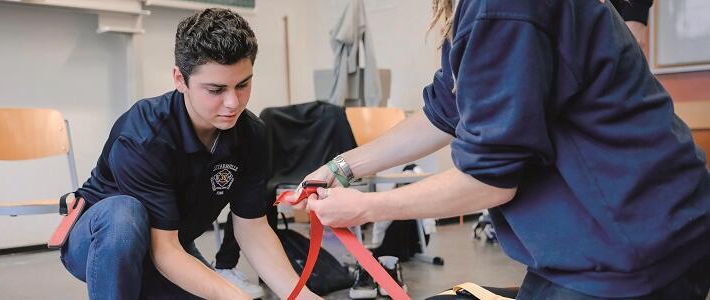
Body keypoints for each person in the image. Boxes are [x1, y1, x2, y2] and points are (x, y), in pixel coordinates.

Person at [295, 0, 710, 299]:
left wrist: (365, 208)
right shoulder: (477, 11)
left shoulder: (504, 8)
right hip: (612, 241)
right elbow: (444, 111)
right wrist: (342, 166)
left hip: (632, 249)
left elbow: (488, 182)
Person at [61, 8, 319, 300]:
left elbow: (253, 229)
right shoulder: (143, 135)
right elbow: (163, 250)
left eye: (243, 85)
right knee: (124, 214)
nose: (233, 102)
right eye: (216, 89)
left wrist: (301, 296)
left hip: (170, 244)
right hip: (100, 243)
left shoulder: (251, 135)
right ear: (180, 79)